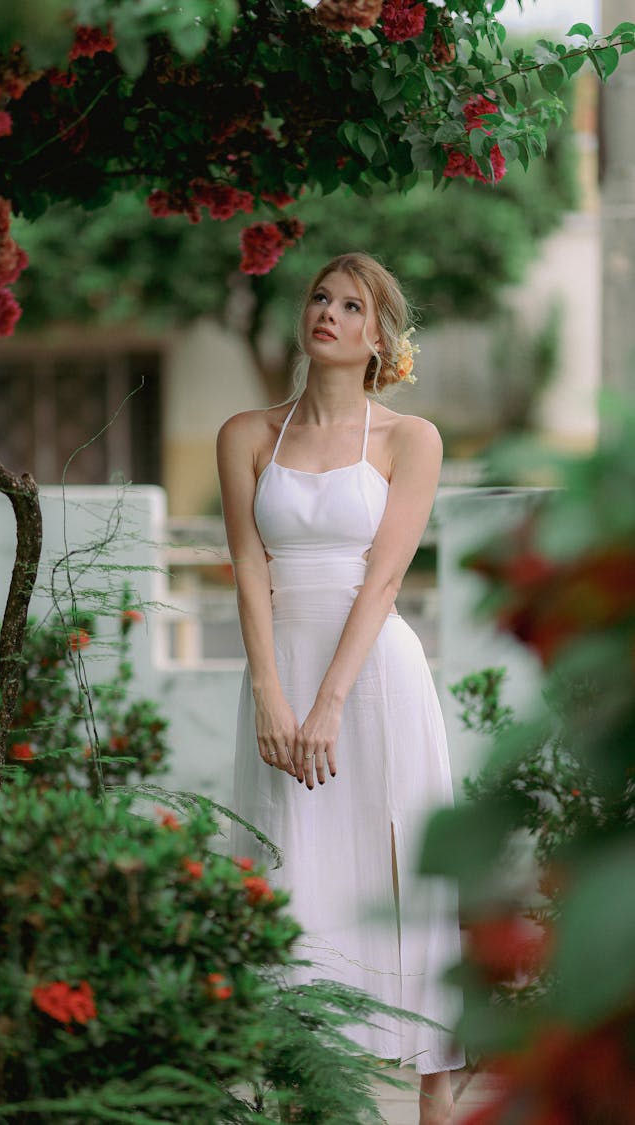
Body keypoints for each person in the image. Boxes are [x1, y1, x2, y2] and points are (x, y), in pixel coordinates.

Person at [216, 252, 465, 1125]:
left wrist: (328, 702)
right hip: (282, 674)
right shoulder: (247, 434)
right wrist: (270, 694)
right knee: (291, 873)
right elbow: (249, 571)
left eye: (350, 305)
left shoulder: (411, 440)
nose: (327, 311)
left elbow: (385, 582)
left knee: (400, 873)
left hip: (375, 681)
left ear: (377, 338)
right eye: (320, 296)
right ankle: (305, 1093)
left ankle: (434, 1088)